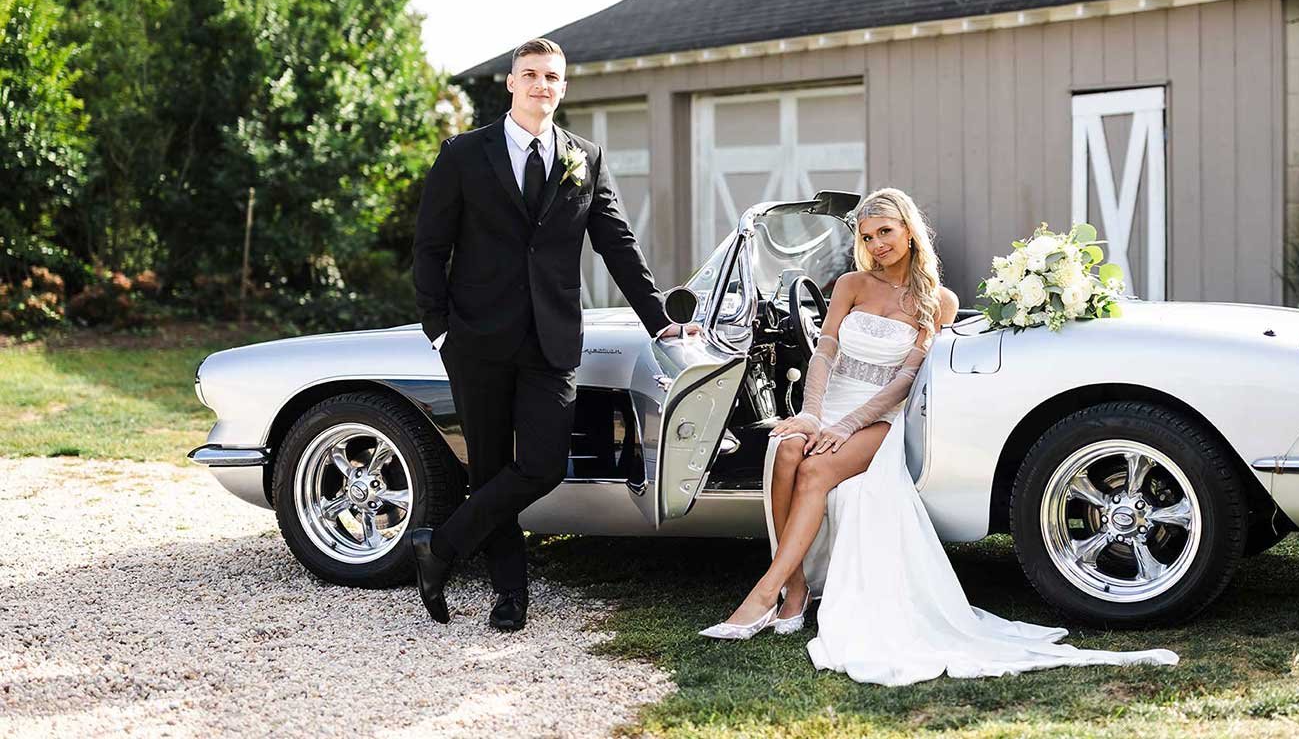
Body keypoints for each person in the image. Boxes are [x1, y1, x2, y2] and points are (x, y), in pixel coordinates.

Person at [700, 188, 1177, 686]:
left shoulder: (937, 301)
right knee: (784, 449)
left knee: (816, 469)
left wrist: (847, 425)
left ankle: (762, 596)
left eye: (886, 231)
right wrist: (814, 414)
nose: (878, 244)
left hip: (880, 417)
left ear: (909, 230)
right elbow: (823, 354)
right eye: (868, 236)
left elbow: (906, 379)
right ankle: (794, 591)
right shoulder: (850, 284)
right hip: (830, 403)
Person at [408, 37, 699, 632]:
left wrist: (660, 319)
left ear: (563, 88)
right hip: (476, 341)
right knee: (489, 470)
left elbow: (617, 243)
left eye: (553, 77)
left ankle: (439, 547)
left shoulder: (584, 159)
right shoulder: (464, 154)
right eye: (531, 74)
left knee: (541, 466)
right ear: (511, 84)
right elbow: (430, 248)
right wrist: (439, 329)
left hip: (553, 340)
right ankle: (509, 596)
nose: (542, 84)